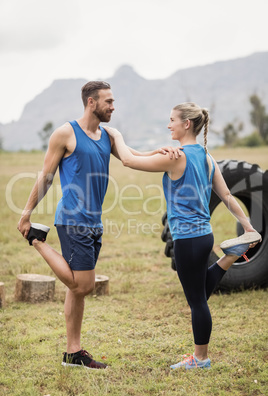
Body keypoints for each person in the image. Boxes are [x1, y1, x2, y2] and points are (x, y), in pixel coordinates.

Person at [17, 81, 176, 370]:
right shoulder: (66, 133)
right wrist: (27, 213)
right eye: (109, 101)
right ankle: (38, 241)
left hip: (94, 221)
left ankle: (72, 353)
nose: (113, 107)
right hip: (72, 219)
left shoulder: (109, 134)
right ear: (91, 102)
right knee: (84, 285)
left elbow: (132, 157)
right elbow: (46, 177)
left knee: (75, 290)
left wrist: (160, 152)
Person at [104, 102, 262, 370]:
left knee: (198, 301)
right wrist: (248, 227)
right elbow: (226, 196)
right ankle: (228, 257)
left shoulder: (176, 157)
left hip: (187, 240)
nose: (169, 125)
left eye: (171, 120)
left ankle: (200, 359)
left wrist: (116, 135)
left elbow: (129, 161)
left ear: (186, 124)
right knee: (200, 292)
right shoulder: (206, 157)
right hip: (204, 236)